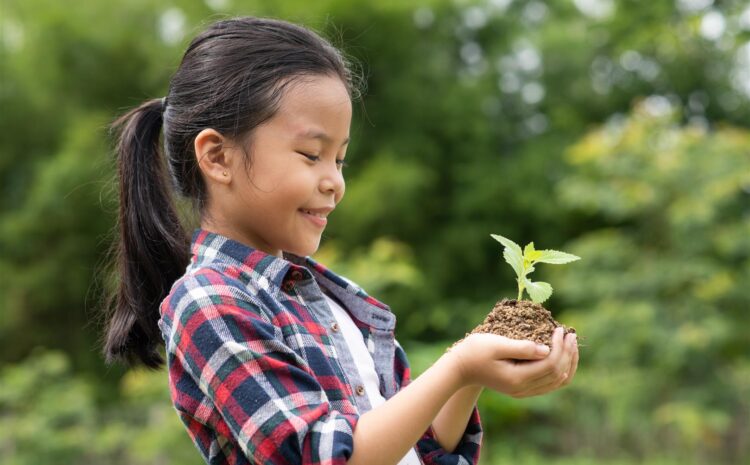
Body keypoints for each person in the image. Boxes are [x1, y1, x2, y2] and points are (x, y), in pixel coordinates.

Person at [101, 15, 579, 465]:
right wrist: (456, 367)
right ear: (218, 157)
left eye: (340, 159)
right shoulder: (210, 301)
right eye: (312, 154)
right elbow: (323, 455)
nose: (334, 181)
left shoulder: (340, 300)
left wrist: (470, 375)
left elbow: (419, 447)